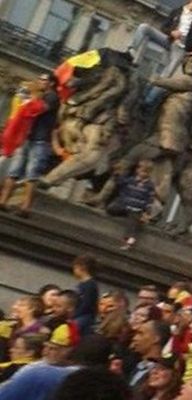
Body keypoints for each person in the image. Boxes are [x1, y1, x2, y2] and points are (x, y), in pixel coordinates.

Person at [0, 73, 59, 218]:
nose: (39, 82)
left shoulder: (52, 97)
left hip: (40, 140)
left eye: (43, 80)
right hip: (27, 138)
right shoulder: (40, 95)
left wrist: (28, 97)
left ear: (51, 83)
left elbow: (38, 108)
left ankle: (26, 207)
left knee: (32, 174)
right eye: (40, 79)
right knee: (14, 171)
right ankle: (3, 200)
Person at [128, 0, 192, 77]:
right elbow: (164, 27)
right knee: (144, 27)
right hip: (169, 39)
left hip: (181, 46)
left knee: (170, 69)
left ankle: (158, 84)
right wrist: (172, 32)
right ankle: (132, 51)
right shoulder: (177, 11)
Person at [106, 160, 156, 250]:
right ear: (137, 170)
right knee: (111, 209)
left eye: (146, 172)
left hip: (136, 209)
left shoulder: (149, 185)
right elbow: (120, 182)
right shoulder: (132, 180)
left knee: (132, 226)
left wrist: (146, 213)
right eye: (142, 171)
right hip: (125, 205)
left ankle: (129, 243)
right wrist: (117, 173)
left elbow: (149, 200)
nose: (143, 174)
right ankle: (126, 215)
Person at [72, 254, 99, 336]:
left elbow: (86, 304)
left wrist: (75, 314)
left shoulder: (90, 285)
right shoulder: (82, 284)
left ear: (82, 267)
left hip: (85, 317)